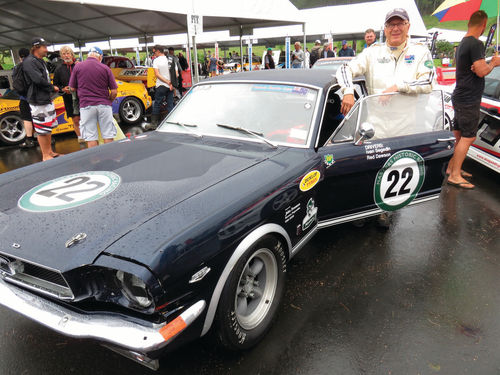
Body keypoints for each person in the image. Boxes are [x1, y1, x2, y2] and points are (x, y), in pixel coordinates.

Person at [337, 8, 434, 226]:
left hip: (404, 126)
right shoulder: (373, 52)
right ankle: (364, 209)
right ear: (385, 28)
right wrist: (348, 91)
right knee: (371, 168)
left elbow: (428, 82)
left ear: (408, 26)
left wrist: (398, 87)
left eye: (400, 24)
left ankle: (384, 209)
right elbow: (345, 69)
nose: (396, 28)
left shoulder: (420, 52)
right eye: (391, 25)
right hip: (376, 125)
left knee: (394, 171)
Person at [447, 11, 500, 189]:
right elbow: (481, 71)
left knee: (459, 135)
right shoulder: (476, 43)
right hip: (468, 98)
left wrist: (483, 63)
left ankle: (451, 168)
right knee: (468, 137)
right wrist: (493, 63)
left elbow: (475, 67)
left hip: (461, 95)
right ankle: (454, 175)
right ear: (484, 24)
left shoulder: (464, 42)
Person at [69, 46, 118, 148]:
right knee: (108, 134)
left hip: (86, 105)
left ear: (88, 55)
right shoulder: (105, 68)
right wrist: (109, 100)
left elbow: (72, 88)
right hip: (104, 105)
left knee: (91, 136)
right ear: (100, 56)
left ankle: (95, 161)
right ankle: (110, 158)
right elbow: (114, 91)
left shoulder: (78, 67)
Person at [23, 37, 60, 161]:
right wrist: (52, 87)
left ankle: (49, 151)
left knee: (48, 127)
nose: (46, 50)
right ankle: (45, 155)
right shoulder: (29, 62)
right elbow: (37, 80)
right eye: (44, 47)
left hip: (46, 99)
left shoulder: (41, 61)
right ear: (36, 47)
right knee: (41, 129)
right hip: (37, 100)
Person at [53, 46, 82, 143]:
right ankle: (80, 139)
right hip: (68, 98)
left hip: (82, 96)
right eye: (64, 54)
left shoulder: (79, 65)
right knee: (76, 119)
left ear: (72, 54)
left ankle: (90, 137)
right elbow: (55, 85)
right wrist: (63, 89)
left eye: (68, 53)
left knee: (85, 118)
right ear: (61, 56)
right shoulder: (58, 69)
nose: (66, 56)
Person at [146, 45, 173, 130]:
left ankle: (154, 124)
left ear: (158, 51)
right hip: (171, 86)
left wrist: (166, 82)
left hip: (161, 85)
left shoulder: (156, 61)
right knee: (170, 104)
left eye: (154, 52)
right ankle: (172, 122)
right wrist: (171, 83)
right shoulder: (170, 59)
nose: (154, 54)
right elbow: (176, 74)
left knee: (157, 104)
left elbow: (157, 74)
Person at [15, 48, 35, 149]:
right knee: (39, 117)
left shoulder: (17, 67)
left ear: (19, 57)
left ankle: (29, 139)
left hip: (23, 97)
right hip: (35, 96)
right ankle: (46, 137)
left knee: (27, 119)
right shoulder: (33, 64)